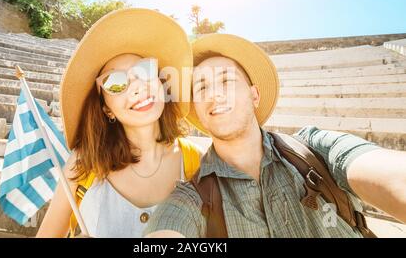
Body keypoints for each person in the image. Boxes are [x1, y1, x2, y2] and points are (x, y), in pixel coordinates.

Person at [144, 33, 406, 238]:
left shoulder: (316, 149)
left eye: (226, 81)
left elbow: (385, 171)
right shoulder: (190, 198)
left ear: (254, 95)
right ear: (198, 112)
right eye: (201, 87)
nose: (214, 94)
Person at [36, 9, 202, 238]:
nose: (136, 86)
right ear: (106, 108)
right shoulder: (84, 163)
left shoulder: (196, 162)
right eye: (115, 82)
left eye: (145, 70)